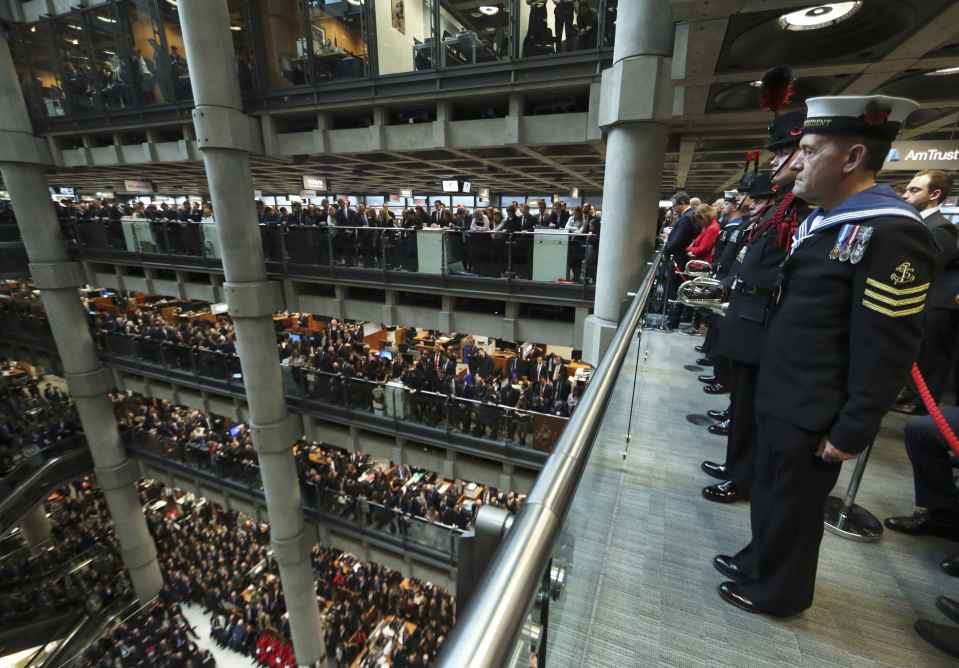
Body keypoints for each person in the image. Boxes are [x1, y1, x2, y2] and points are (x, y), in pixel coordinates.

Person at [715, 93, 937, 617]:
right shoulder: (830, 220)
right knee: (771, 491)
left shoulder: (893, 231)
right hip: (786, 391)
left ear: (853, 158)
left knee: (794, 503)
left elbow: (889, 342)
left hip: (817, 404)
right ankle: (758, 560)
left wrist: (853, 427)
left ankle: (780, 592)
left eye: (812, 151)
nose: (799, 163)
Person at [701, 108, 809, 503]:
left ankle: (741, 476)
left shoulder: (799, 211)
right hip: (748, 319)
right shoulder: (781, 211)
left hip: (761, 324)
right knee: (742, 407)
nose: (779, 159)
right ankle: (736, 470)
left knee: (749, 413)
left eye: (787, 151)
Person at [894, 170, 959, 413]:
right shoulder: (918, 223)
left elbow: (924, 269)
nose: (906, 195)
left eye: (914, 190)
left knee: (932, 356)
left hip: (938, 302)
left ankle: (922, 404)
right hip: (921, 300)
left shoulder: (942, 228)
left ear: (935, 194)